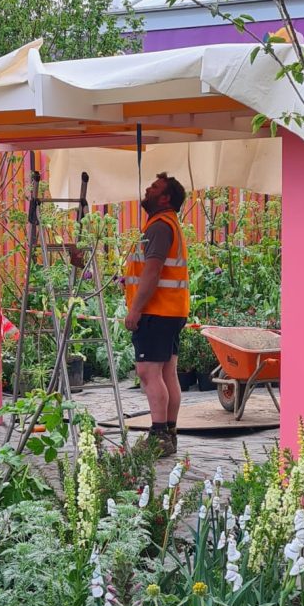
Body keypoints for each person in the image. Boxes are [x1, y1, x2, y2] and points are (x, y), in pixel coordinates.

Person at [124, 172, 189, 457]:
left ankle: (159, 435)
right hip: (171, 311)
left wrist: (135, 309)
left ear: (165, 198)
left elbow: (152, 271)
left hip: (156, 311)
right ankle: (169, 434)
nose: (147, 189)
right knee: (166, 372)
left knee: (148, 372)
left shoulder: (160, 227)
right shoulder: (166, 224)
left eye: (155, 187)